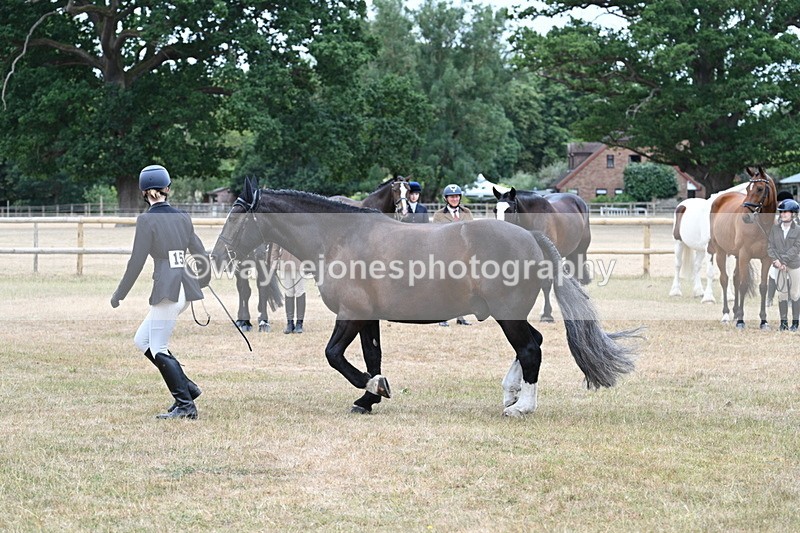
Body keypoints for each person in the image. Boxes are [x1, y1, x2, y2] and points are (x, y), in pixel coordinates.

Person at [110, 164, 209, 419]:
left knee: (158, 346)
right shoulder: (183, 217)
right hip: (184, 287)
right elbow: (200, 253)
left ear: (144, 193)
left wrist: (120, 293)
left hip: (167, 289)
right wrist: (204, 278)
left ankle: (186, 406)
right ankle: (187, 388)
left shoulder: (146, 220)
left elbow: (136, 261)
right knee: (142, 340)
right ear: (167, 189)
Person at [432, 183, 473, 326]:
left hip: (464, 254)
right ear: (446, 198)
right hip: (445, 254)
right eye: (451, 197)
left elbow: (472, 232)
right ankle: (442, 316)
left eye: (456, 196)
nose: (454, 199)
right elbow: (436, 234)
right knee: (444, 286)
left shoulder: (467, 212)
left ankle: (460, 316)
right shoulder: (438, 215)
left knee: (462, 286)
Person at [767, 198, 800, 331]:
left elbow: (797, 247)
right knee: (782, 294)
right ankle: (784, 323)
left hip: (794, 265)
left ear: (793, 213)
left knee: (795, 294)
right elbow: (770, 246)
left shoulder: (798, 230)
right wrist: (776, 261)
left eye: (786, 212)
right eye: (781, 212)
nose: (783, 214)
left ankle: (796, 323)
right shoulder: (774, 229)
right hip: (779, 265)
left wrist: (783, 261)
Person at [234, 243, 273, 333]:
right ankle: (243, 315)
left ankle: (263, 316)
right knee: (241, 282)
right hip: (243, 240)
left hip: (260, 239)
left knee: (263, 280)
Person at [278, 248, 307, 334]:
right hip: (286, 262)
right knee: (288, 291)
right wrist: (273, 262)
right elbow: (275, 245)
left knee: (300, 291)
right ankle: (290, 323)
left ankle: (299, 323)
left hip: (299, 262)